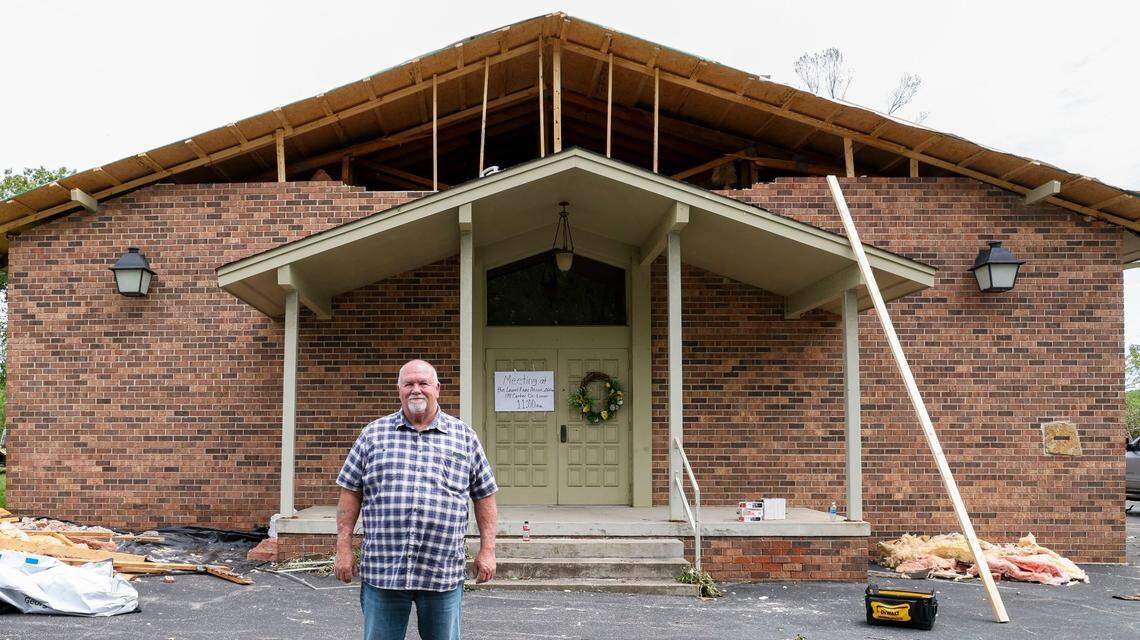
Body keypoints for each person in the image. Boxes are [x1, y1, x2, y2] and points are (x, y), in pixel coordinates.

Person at [334, 359, 498, 640]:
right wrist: (343, 548)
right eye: (409, 383)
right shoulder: (372, 435)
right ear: (398, 389)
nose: (416, 390)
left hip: (441, 570)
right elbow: (350, 492)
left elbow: (484, 495)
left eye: (423, 383)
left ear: (437, 388)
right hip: (384, 570)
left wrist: (488, 549)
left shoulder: (464, 437)